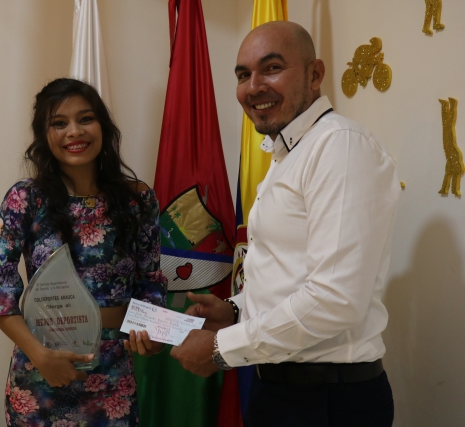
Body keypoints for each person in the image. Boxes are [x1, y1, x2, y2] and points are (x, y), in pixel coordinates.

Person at [170, 21, 400, 427]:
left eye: (272, 68)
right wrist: (236, 310)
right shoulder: (288, 154)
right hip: (276, 390)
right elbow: (290, 276)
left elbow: (335, 300)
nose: (253, 86)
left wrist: (222, 347)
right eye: (243, 75)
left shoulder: (340, 146)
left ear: (315, 74)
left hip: (328, 401)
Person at [0, 78, 167, 427]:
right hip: (42, 369)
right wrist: (40, 355)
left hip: (112, 375)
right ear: (44, 136)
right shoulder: (26, 198)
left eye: (85, 119)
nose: (74, 131)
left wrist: (152, 333)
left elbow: (149, 282)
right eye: (59, 123)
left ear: (103, 126)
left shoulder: (137, 199)